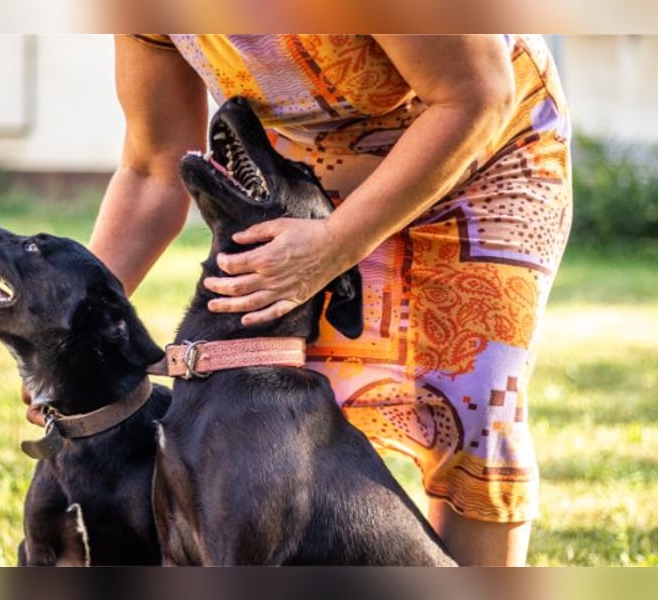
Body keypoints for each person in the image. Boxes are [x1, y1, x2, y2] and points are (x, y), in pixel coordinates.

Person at [88, 34, 572, 566]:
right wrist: (79, 329)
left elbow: (476, 95)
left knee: (470, 402)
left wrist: (335, 244)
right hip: (313, 174)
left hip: (483, 156)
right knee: (286, 404)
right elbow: (153, 168)